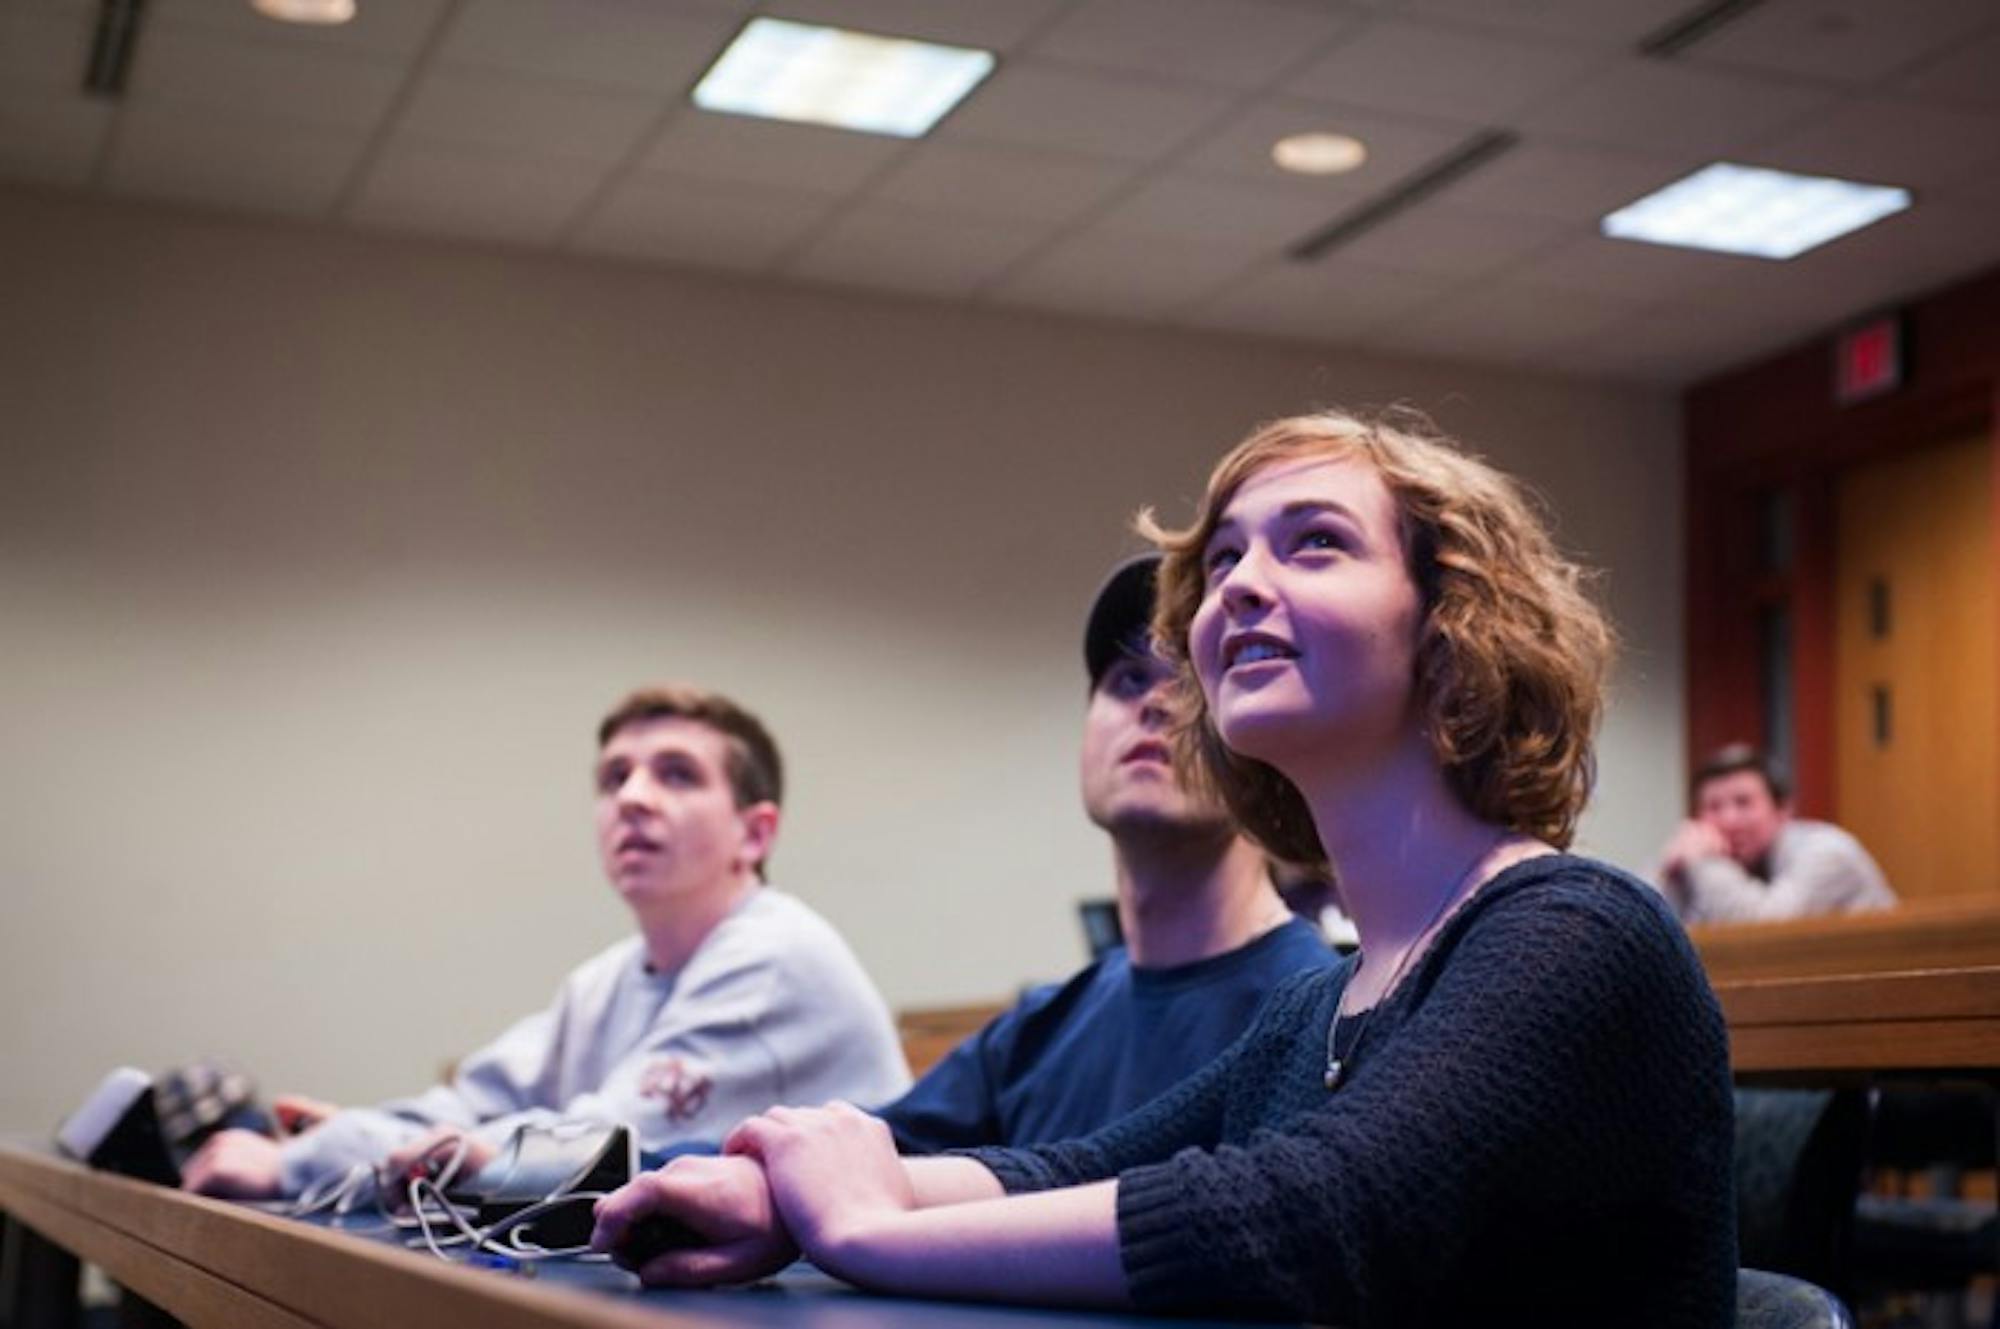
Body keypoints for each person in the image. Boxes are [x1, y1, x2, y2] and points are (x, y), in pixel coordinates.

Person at [591, 410, 1736, 1327]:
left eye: (1314, 542)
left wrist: (870, 1231)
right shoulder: (1315, 1009)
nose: (1234, 584)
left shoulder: (1580, 934)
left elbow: (1316, 1219)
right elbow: (1075, 1168)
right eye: (1226, 555)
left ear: (1453, 627)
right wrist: (787, 1199)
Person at [183, 685, 910, 1198]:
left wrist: (295, 1166)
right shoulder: (607, 978)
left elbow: (591, 1148)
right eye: (614, 777)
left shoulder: (778, 957)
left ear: (755, 833)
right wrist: (361, 1136)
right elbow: (471, 1104)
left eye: (677, 774)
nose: (631, 796)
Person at [878, 554, 1335, 1154]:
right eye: (1127, 680)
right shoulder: (1040, 1032)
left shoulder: (1320, 1018)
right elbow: (852, 1156)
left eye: (1193, 684)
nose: (1155, 704)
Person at [1658, 742, 1896, 924]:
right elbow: (1655, 928)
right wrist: (1673, 873)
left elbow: (1763, 929)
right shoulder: (1711, 857)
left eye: (1743, 802)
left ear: (1783, 810)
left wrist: (1705, 862)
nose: (1728, 820)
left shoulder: (1829, 851)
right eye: (1713, 807)